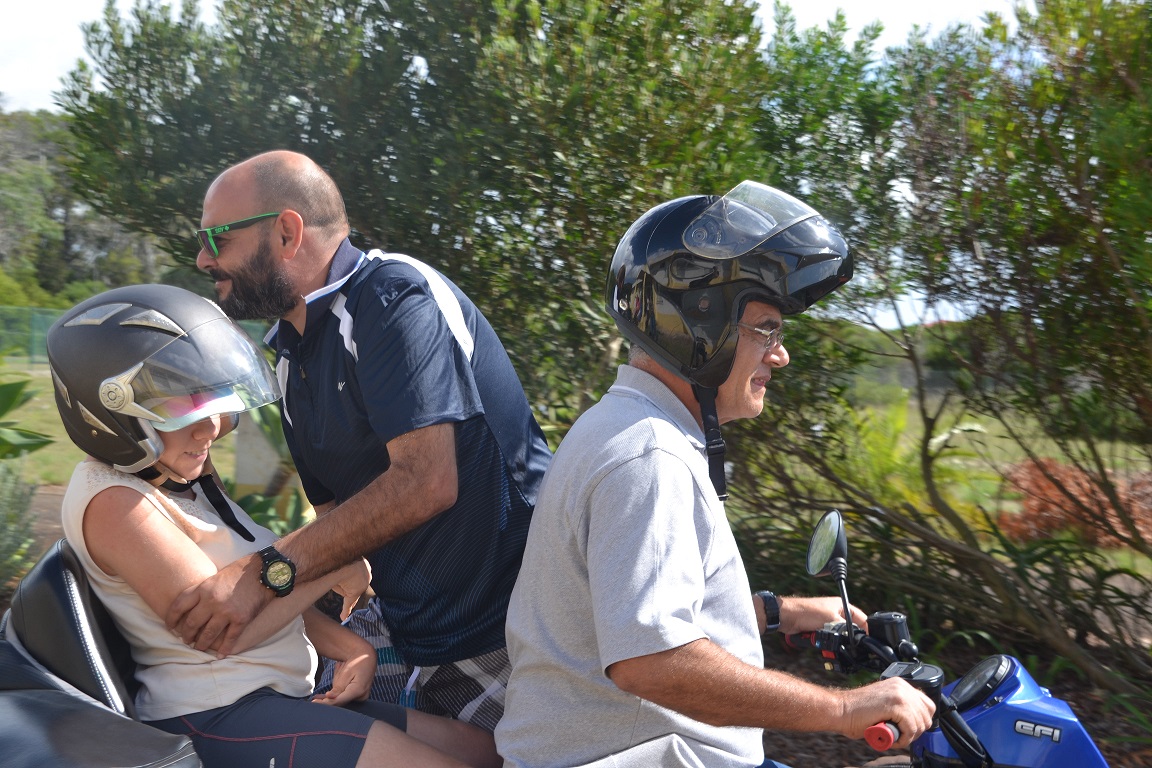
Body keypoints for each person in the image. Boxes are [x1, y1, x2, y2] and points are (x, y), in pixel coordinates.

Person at [496, 182, 937, 768]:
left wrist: (780, 612)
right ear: (702, 325)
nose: (780, 354)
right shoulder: (650, 457)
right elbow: (651, 661)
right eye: (767, 329)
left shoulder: (626, 427)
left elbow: (634, 611)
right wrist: (844, 709)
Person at [168, 150, 552, 733]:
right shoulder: (290, 358)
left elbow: (426, 482)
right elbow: (337, 525)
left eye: (216, 238)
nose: (203, 259)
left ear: (287, 233)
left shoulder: (391, 297)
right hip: (411, 634)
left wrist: (259, 576)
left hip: (513, 635)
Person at [46, 284, 499, 768]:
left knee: (487, 752)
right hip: (216, 710)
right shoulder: (114, 502)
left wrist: (352, 649)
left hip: (276, 696)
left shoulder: (185, 477)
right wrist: (332, 562)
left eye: (212, 399)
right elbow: (224, 631)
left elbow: (255, 596)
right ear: (108, 410)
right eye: (181, 407)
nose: (211, 428)